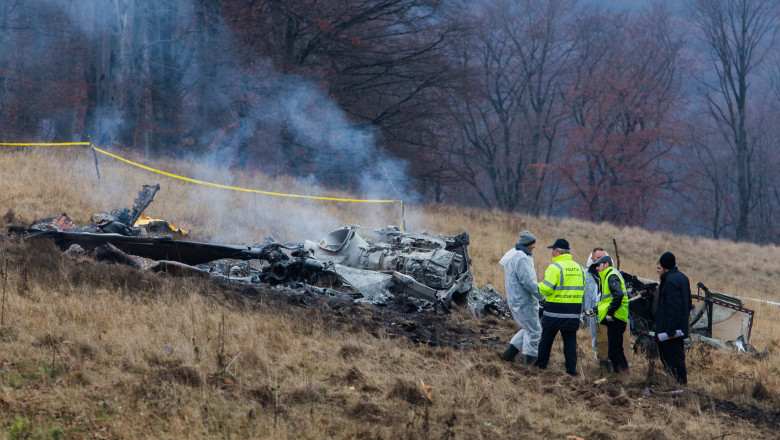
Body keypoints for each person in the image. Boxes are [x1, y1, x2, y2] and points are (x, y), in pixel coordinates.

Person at [535, 238, 585, 376]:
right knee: (570, 343)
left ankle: (540, 366)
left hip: (554, 311)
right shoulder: (580, 268)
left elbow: (545, 288)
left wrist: (537, 286)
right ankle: (571, 371)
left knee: (546, 340)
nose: (552, 253)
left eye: (553, 250)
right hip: (573, 312)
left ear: (559, 251)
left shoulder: (555, 267)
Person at [499, 231, 544, 364]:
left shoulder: (514, 254)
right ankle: (531, 362)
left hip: (516, 299)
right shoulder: (522, 258)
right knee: (535, 331)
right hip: (523, 300)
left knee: (528, 328)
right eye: (533, 243)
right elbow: (529, 283)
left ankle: (508, 354)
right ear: (528, 244)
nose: (535, 246)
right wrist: (542, 296)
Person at [654, 251, 692, 385]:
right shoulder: (683, 278)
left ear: (665, 266)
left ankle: (676, 384)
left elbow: (672, 307)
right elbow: (687, 303)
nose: (658, 271)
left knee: (670, 359)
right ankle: (681, 383)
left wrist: (669, 330)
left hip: (670, 330)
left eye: (659, 267)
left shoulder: (669, 281)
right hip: (680, 327)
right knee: (679, 357)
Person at [594, 255, 629, 373]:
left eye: (598, 265)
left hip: (616, 318)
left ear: (606, 264)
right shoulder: (608, 277)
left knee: (613, 351)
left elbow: (618, 295)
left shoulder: (611, 276)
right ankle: (624, 374)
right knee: (618, 349)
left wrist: (609, 313)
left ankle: (620, 375)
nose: (597, 268)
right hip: (617, 317)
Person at [582, 248, 610, 369]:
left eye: (603, 257)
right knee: (596, 337)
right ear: (592, 259)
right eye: (598, 258)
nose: (600, 260)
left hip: (608, 312)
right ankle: (602, 365)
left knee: (608, 338)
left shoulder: (611, 275)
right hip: (592, 313)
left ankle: (609, 364)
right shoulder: (585, 275)